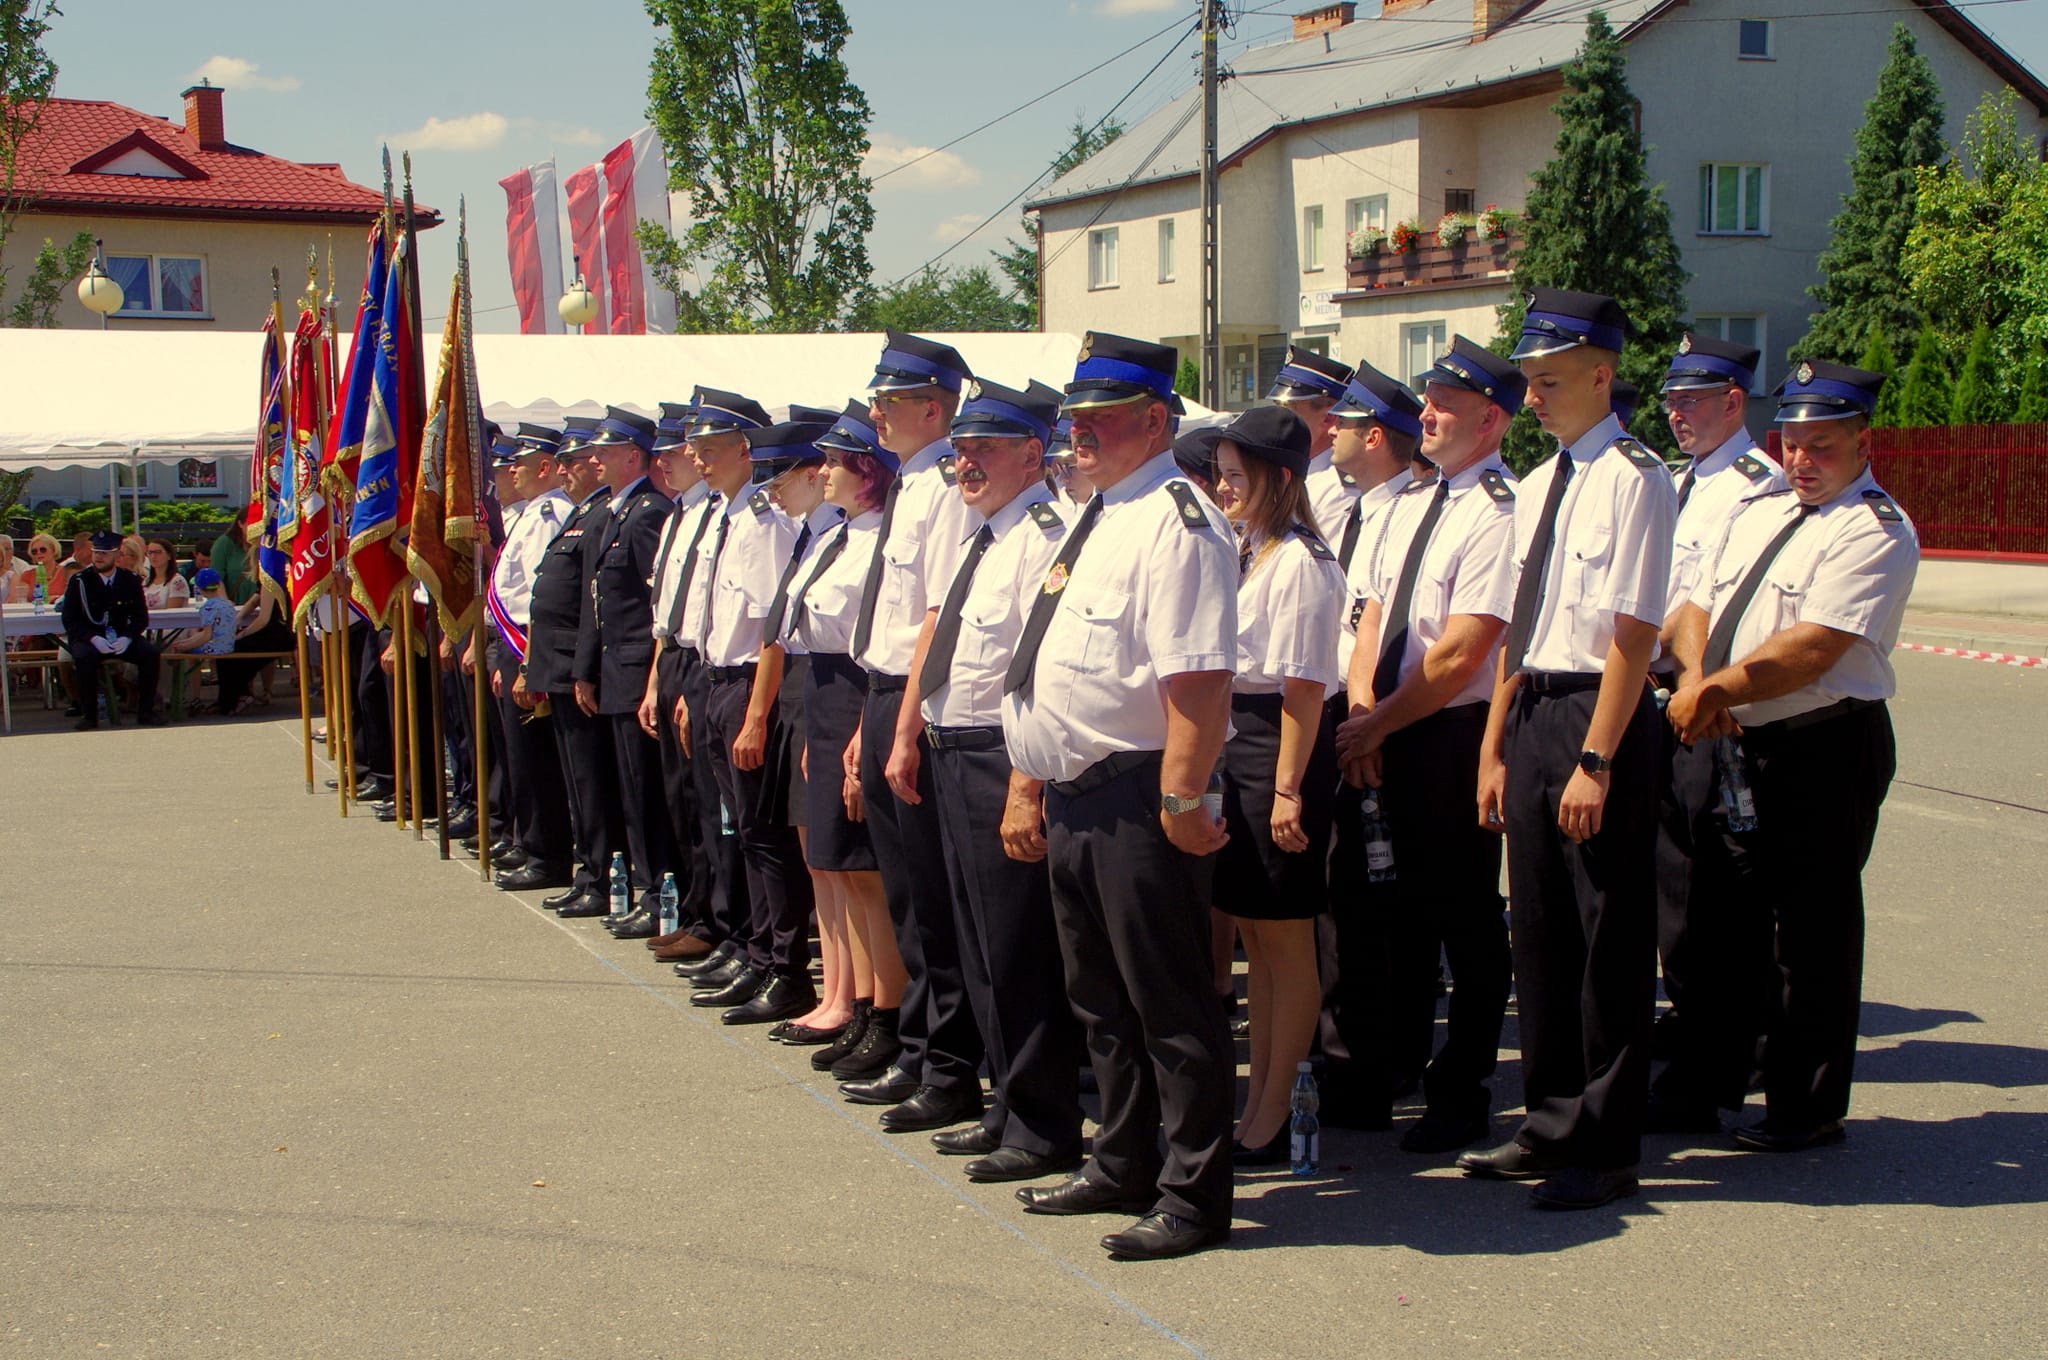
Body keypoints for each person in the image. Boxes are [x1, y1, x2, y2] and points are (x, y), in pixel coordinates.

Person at [1003, 332, 1238, 1262]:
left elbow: (1199, 681)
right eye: (1074, 421)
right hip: (1075, 796)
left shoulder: (1177, 520)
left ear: (1154, 420)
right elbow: (1049, 666)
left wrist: (1183, 804)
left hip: (1142, 798)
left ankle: (1193, 1194)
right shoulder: (1097, 514)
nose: (1081, 436)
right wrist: (1030, 785)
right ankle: (1124, 1160)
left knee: (1172, 1008)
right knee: (1100, 1003)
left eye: (1100, 420)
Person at [1663, 360, 1916, 1152]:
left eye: (1824, 446)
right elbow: (1695, 603)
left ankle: (1806, 1106)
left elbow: (1813, 649)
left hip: (1822, 746)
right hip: (1736, 734)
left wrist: (1714, 693)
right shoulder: (1765, 506)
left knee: (1810, 934)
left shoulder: (1874, 529)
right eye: (1794, 443)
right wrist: (1703, 680)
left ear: (1863, 442)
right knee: (1722, 921)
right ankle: (1713, 1080)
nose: (1803, 460)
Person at [1464, 289, 1676, 1210]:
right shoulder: (1541, 480)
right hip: (1536, 710)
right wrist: (1496, 746)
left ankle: (1605, 1143)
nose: (1535, 397)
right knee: (1539, 933)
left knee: (1607, 943)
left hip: (1601, 716)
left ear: (1602, 374)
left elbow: (1632, 632)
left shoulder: (1636, 476)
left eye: (1549, 381)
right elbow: (1521, 620)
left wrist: (1596, 760)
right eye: (1530, 382)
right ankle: (1547, 1122)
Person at [1335, 336, 1525, 1155]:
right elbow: (1370, 614)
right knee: (1390, 913)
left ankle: (1464, 1087)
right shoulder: (1410, 504)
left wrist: (1376, 723)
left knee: (1464, 920)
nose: (1427, 416)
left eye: (1445, 405)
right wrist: (1361, 710)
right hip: (1383, 722)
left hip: (1445, 733)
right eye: (1427, 402)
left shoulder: (1498, 512)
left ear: (1491, 419)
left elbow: (1461, 654)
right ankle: (1391, 1065)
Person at [913, 378, 1087, 1182]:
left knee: (1020, 952)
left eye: (983, 448)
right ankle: (1004, 1102)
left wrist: (1024, 784)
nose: (965, 463)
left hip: (997, 757)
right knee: (978, 946)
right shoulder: (977, 535)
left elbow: (1037, 674)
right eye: (959, 449)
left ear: (1031, 453)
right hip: (952, 750)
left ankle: (1044, 1124)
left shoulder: (1042, 536)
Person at [846, 329, 985, 1131]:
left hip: (916, 700)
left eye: (888, 401)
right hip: (885, 692)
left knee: (934, 904)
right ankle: (921, 1051)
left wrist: (901, 729)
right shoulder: (909, 485)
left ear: (931, 407)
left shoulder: (940, 488)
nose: (876, 413)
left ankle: (950, 1067)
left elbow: (934, 620)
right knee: (907, 897)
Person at [1647, 333, 1786, 1132]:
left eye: (1692, 401)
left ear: (1735, 402)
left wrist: (1693, 679)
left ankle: (1718, 1059)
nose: (1677, 415)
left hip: (1708, 704)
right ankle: (1710, 1035)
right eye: (1670, 401)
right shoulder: (1674, 481)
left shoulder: (1757, 488)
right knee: (1675, 886)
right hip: (1663, 700)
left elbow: (1715, 604)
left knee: (1712, 894)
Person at [1207, 406, 1346, 1166]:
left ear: (1280, 478)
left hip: (1280, 753)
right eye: (1222, 474)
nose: (1224, 488)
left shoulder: (1301, 561)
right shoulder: (1252, 549)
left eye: (1236, 475)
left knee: (1287, 943)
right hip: (1244, 747)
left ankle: (1276, 1112)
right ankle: (1257, 1097)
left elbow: (1303, 689)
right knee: (1255, 940)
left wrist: (1289, 789)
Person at [684, 397, 819, 1025]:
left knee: (765, 837)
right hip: (717, 680)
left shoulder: (763, 522)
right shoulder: (728, 517)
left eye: (710, 449)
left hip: (747, 686)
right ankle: (758, 952)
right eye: (696, 449)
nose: (696, 460)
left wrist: (757, 715)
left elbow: (772, 630)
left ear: (745, 450)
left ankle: (783, 967)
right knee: (742, 830)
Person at [1318, 361, 1429, 1125]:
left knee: (1390, 905)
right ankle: (1352, 1056)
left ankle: (1387, 1063)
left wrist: (1366, 722)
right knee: (1344, 902)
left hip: (1392, 719)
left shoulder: (1410, 510)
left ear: (1377, 436)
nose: (1328, 431)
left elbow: (1378, 625)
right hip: (1344, 712)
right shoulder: (1342, 505)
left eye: (1344, 424)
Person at [790, 403, 910, 1080]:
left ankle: (884, 1016)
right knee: (843, 867)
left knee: (865, 872)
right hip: (828, 694)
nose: (825, 471)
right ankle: (862, 1005)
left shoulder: (875, 539)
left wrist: (860, 729)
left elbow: (875, 643)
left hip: (859, 694)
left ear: (868, 471)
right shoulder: (844, 533)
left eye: (838, 461)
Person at [748, 418, 847, 1034]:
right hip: (800, 693)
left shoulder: (838, 532)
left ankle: (846, 997)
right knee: (817, 858)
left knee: (835, 861)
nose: (772, 492)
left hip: (825, 690)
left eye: (779, 478)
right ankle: (834, 992)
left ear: (814, 475)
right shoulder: (811, 532)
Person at [572, 407, 677, 936]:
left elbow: (653, 603)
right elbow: (597, 600)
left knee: (647, 791)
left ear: (633, 456)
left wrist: (648, 677)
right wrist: (586, 668)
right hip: (615, 670)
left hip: (638, 670)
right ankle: (645, 884)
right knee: (630, 790)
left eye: (606, 451)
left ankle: (662, 893)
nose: (594, 458)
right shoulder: (615, 512)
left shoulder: (647, 512)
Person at [642, 401, 737, 966]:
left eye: (692, 450)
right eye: (684, 449)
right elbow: (667, 607)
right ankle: (701, 912)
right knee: (683, 797)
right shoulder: (682, 514)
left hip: (707, 664)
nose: (685, 461)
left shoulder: (720, 513)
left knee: (713, 805)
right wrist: (659, 678)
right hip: (677, 657)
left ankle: (724, 922)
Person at [518, 415, 621, 918]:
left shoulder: (601, 515)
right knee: (575, 780)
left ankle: (600, 876)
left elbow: (591, 603)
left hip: (575, 664)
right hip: (556, 662)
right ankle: (588, 871)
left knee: (591, 780)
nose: (567, 471)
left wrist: (584, 667)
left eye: (575, 462)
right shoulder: (581, 513)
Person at [488, 424, 576, 893]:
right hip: (513, 641)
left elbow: (541, 596)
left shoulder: (547, 514)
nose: (511, 472)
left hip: (526, 643)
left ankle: (547, 852)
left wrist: (526, 662)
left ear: (544, 467)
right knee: (519, 756)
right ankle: (531, 841)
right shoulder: (528, 511)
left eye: (519, 464)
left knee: (534, 759)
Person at [60, 528, 162, 729]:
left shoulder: (129, 580)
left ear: (116, 555)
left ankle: (146, 712)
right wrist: (92, 638)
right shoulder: (80, 581)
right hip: (91, 637)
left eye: (105, 553)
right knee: (83, 658)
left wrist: (128, 637)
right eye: (96, 552)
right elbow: (70, 619)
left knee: (150, 654)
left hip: (120, 636)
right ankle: (89, 715)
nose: (99, 557)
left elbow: (141, 617)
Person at [1268, 344, 1360, 534]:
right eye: (1276, 407)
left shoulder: (1339, 489)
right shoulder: (1280, 472)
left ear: (1328, 417)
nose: (1277, 418)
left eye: (1288, 410)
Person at [164, 567, 237, 657]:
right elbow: (211, 632)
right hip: (228, 647)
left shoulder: (207, 607)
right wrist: (186, 641)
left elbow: (206, 635)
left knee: (185, 651)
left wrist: (185, 646)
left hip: (213, 649)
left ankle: (190, 671)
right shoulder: (228, 604)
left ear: (199, 588)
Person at [141, 538, 191, 610]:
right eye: (150, 552)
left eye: (158, 552)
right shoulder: (147, 581)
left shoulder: (177, 581)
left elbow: (172, 613)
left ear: (169, 555)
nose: (153, 556)